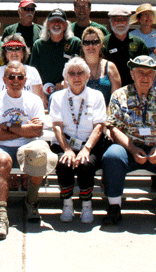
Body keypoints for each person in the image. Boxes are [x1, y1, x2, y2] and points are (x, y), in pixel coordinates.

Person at [101, 56, 156, 227]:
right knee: (111, 156)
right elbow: (113, 128)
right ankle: (114, 207)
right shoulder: (119, 95)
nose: (145, 77)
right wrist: (132, 149)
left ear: (154, 75)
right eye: (140, 73)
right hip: (128, 149)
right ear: (132, 74)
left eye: (149, 73)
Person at [0, 61, 47, 240]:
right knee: (3, 161)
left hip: (28, 146)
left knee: (39, 156)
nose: (16, 80)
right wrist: (23, 128)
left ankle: (31, 203)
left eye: (20, 77)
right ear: (4, 79)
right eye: (11, 77)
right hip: (1, 148)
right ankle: (1, 216)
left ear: (25, 80)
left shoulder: (34, 100)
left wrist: (7, 126)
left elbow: (37, 130)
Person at [49, 57, 107, 224]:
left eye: (80, 73)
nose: (76, 77)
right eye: (72, 73)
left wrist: (86, 149)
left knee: (86, 164)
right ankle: (67, 204)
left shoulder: (96, 96)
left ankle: (86, 205)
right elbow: (57, 126)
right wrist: (67, 149)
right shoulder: (57, 97)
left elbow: (99, 126)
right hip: (64, 143)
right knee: (64, 163)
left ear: (87, 76)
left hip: (90, 144)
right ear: (66, 77)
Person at [30, 9, 82, 95]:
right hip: (44, 94)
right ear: (48, 24)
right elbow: (33, 74)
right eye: (53, 21)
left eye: (60, 21)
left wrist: (65, 82)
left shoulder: (75, 43)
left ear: (65, 25)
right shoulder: (38, 45)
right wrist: (41, 95)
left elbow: (80, 69)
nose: (56, 23)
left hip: (69, 92)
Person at [0, 35, 47, 107]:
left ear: (23, 52)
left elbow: (39, 102)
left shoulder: (32, 72)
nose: (14, 52)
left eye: (18, 49)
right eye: (9, 49)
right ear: (5, 53)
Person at [103, 6, 149, 87]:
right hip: (110, 89)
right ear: (110, 22)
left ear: (129, 22)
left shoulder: (139, 43)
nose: (121, 23)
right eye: (117, 20)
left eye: (124, 20)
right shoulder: (103, 43)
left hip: (134, 90)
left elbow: (146, 68)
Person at [79, 26, 121, 105]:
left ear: (101, 44)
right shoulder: (75, 68)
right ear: (82, 45)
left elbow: (116, 100)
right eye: (86, 43)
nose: (90, 46)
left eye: (95, 42)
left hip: (106, 114)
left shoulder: (110, 67)